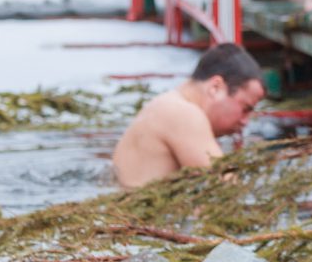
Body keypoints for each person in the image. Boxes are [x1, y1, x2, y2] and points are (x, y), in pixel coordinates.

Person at [112, 44, 267, 187]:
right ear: (215, 87)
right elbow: (225, 188)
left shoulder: (164, 104)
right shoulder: (184, 114)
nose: (245, 121)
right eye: (245, 109)